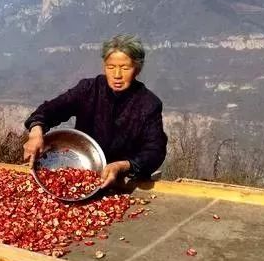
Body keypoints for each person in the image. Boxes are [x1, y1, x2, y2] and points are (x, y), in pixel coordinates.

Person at [23, 34, 167, 188]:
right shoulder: (89, 89)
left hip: (125, 181)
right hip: (83, 172)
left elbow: (155, 150)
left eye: (125, 68)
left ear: (137, 69)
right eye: (111, 67)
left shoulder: (149, 104)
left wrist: (123, 166)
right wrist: (36, 131)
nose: (117, 75)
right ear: (104, 66)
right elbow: (52, 109)